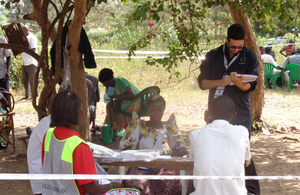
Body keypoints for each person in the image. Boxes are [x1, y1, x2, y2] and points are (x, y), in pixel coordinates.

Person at [197, 23, 260, 195]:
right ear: (226, 40)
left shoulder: (250, 57)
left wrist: (238, 82)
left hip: (240, 113)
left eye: (240, 47)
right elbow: (202, 83)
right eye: (233, 46)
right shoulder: (213, 55)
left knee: (240, 155)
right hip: (215, 115)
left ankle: (245, 190)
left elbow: (250, 86)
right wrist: (221, 81)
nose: (236, 50)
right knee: (215, 153)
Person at [41, 90, 122, 195]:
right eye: (81, 108)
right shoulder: (79, 146)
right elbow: (92, 189)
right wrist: (112, 185)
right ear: (73, 112)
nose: (83, 111)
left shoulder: (48, 135)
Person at [119, 94, 187, 195]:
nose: (156, 113)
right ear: (148, 109)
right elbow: (125, 147)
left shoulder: (169, 127)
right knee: (135, 183)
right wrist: (141, 157)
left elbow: (182, 149)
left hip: (165, 167)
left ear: (164, 110)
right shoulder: (139, 125)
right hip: (141, 166)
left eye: (160, 110)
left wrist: (165, 160)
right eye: (153, 110)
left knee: (168, 183)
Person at [189, 95, 251, 195]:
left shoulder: (196, 135)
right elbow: (247, 159)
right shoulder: (242, 132)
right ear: (234, 115)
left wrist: (208, 123)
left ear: (209, 114)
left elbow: (193, 157)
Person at [98, 68, 140, 133]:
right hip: (126, 104)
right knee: (110, 107)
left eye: (105, 83)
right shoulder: (109, 88)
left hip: (137, 102)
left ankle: (117, 129)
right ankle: (113, 128)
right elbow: (110, 104)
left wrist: (115, 96)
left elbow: (132, 94)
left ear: (109, 80)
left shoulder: (119, 81)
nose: (104, 85)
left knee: (117, 107)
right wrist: (113, 121)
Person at [21, 25, 38, 99]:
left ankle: (34, 96)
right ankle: (27, 95)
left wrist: (25, 43)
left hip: (31, 62)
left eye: (23, 31)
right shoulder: (22, 38)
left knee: (32, 81)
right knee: (25, 81)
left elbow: (33, 50)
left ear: (27, 31)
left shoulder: (32, 38)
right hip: (24, 62)